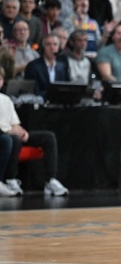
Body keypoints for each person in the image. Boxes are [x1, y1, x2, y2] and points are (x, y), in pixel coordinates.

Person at [0, 67, 69, 197]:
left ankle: (50, 180)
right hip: (4, 135)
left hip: (10, 132)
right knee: (11, 139)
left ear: (3, 81)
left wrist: (22, 132)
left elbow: (15, 123)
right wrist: (10, 131)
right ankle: (10, 180)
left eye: (0, 78)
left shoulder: (6, 100)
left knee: (48, 137)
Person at [24, 33, 70, 97]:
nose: (52, 48)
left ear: (58, 48)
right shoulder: (33, 66)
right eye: (48, 44)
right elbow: (33, 90)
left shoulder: (62, 67)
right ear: (43, 47)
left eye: (55, 44)